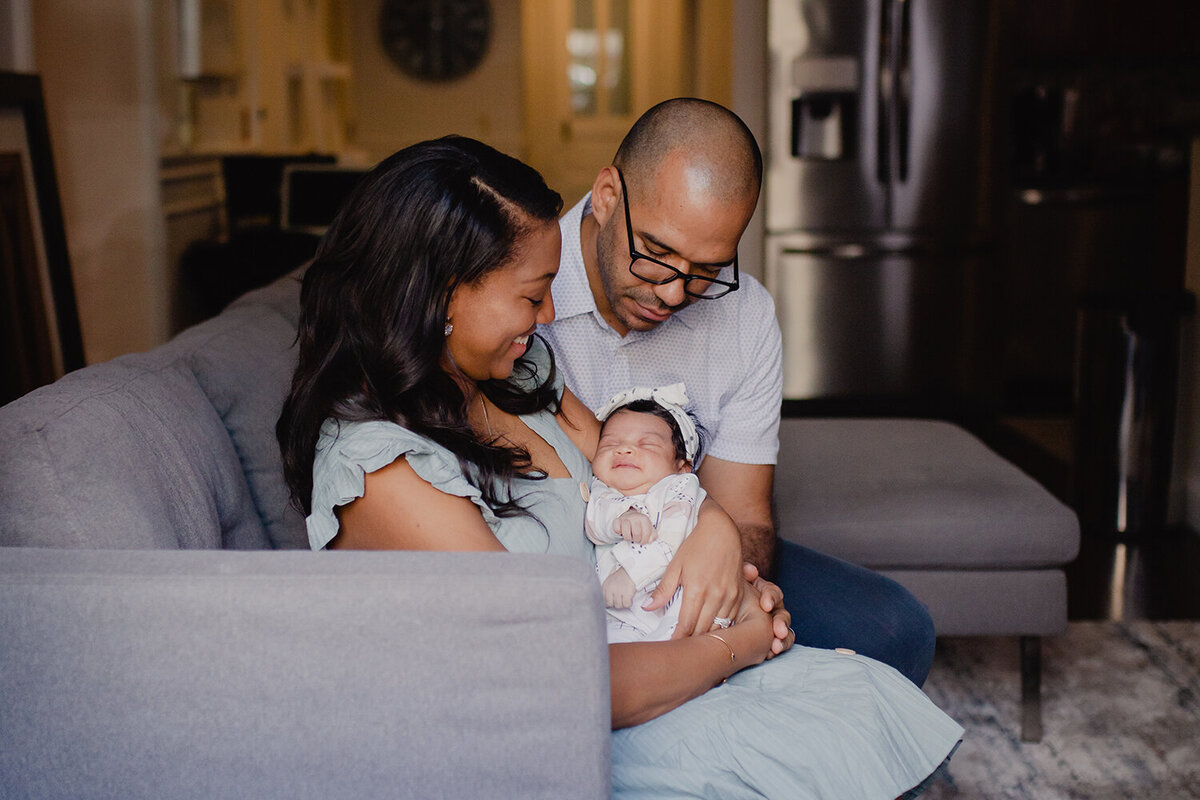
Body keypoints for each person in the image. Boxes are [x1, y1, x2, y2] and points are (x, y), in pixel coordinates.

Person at [277, 135, 962, 798]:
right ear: (443, 295)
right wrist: (740, 642)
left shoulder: (522, 373)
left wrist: (716, 537)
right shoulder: (384, 473)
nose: (547, 313)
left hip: (638, 642)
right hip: (569, 720)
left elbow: (648, 475)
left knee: (866, 688)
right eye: (531, 293)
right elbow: (557, 681)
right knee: (834, 730)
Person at [537, 97, 938, 685]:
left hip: (689, 543)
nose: (675, 294)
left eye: (706, 269)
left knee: (894, 629)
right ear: (606, 196)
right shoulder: (523, 285)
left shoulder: (744, 314)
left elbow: (746, 511)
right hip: (565, 556)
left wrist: (733, 581)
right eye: (657, 254)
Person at [587, 384, 707, 643]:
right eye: (610, 443)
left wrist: (630, 572)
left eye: (647, 444)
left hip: (670, 606)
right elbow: (594, 524)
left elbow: (674, 541)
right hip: (616, 616)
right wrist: (623, 514)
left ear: (682, 466)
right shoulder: (601, 487)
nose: (624, 449)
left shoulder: (679, 488)